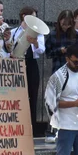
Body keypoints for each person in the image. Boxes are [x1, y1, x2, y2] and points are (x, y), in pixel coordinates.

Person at [11, 7, 48, 138]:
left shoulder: (38, 34)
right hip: (17, 66)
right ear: (23, 16)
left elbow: (41, 50)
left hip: (31, 65)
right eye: (32, 17)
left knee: (32, 96)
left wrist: (35, 43)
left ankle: (31, 128)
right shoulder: (14, 31)